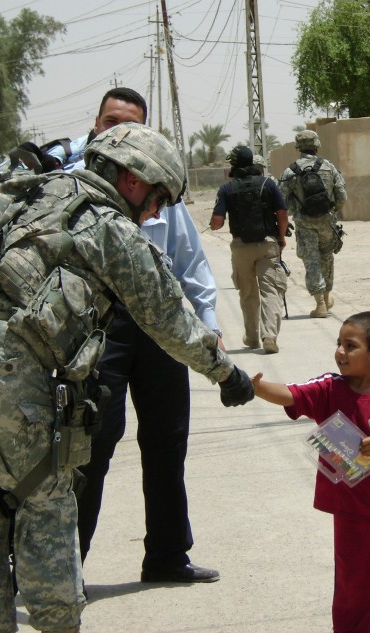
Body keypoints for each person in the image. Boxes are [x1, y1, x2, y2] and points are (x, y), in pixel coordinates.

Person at [0, 123, 254, 633]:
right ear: (133, 180)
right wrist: (226, 374)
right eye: (157, 201)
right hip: (3, 367)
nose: (155, 214)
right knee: (44, 505)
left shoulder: (12, 189)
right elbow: (169, 316)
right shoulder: (105, 221)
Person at [73, 87, 225, 583]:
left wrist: (210, 328)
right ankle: (63, 568)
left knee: (167, 441)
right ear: (96, 124)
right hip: (100, 332)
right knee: (91, 447)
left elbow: (191, 265)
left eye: (131, 126)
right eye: (112, 123)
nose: (120, 134)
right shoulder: (68, 185)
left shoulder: (158, 186)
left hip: (159, 326)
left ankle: (166, 555)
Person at [251, 311, 370, 633]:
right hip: (349, 512)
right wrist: (255, 387)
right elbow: (291, 394)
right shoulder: (328, 388)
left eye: (350, 346)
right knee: (353, 585)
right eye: (338, 343)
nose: (340, 351)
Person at [209, 145, 289, 354]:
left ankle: (252, 337)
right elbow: (282, 213)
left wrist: (214, 224)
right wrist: (281, 238)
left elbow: (217, 221)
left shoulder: (227, 189)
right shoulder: (267, 184)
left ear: (234, 164)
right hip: (267, 243)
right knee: (270, 291)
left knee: (247, 293)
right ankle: (269, 335)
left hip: (241, 247)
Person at [279, 129, 347, 318]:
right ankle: (326, 297)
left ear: (298, 147)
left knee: (312, 261)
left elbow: (281, 201)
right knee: (327, 257)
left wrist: (294, 211)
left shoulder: (290, 171)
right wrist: (332, 211)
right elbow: (342, 196)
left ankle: (320, 305)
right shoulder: (328, 167)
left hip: (305, 223)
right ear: (317, 145)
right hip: (327, 221)